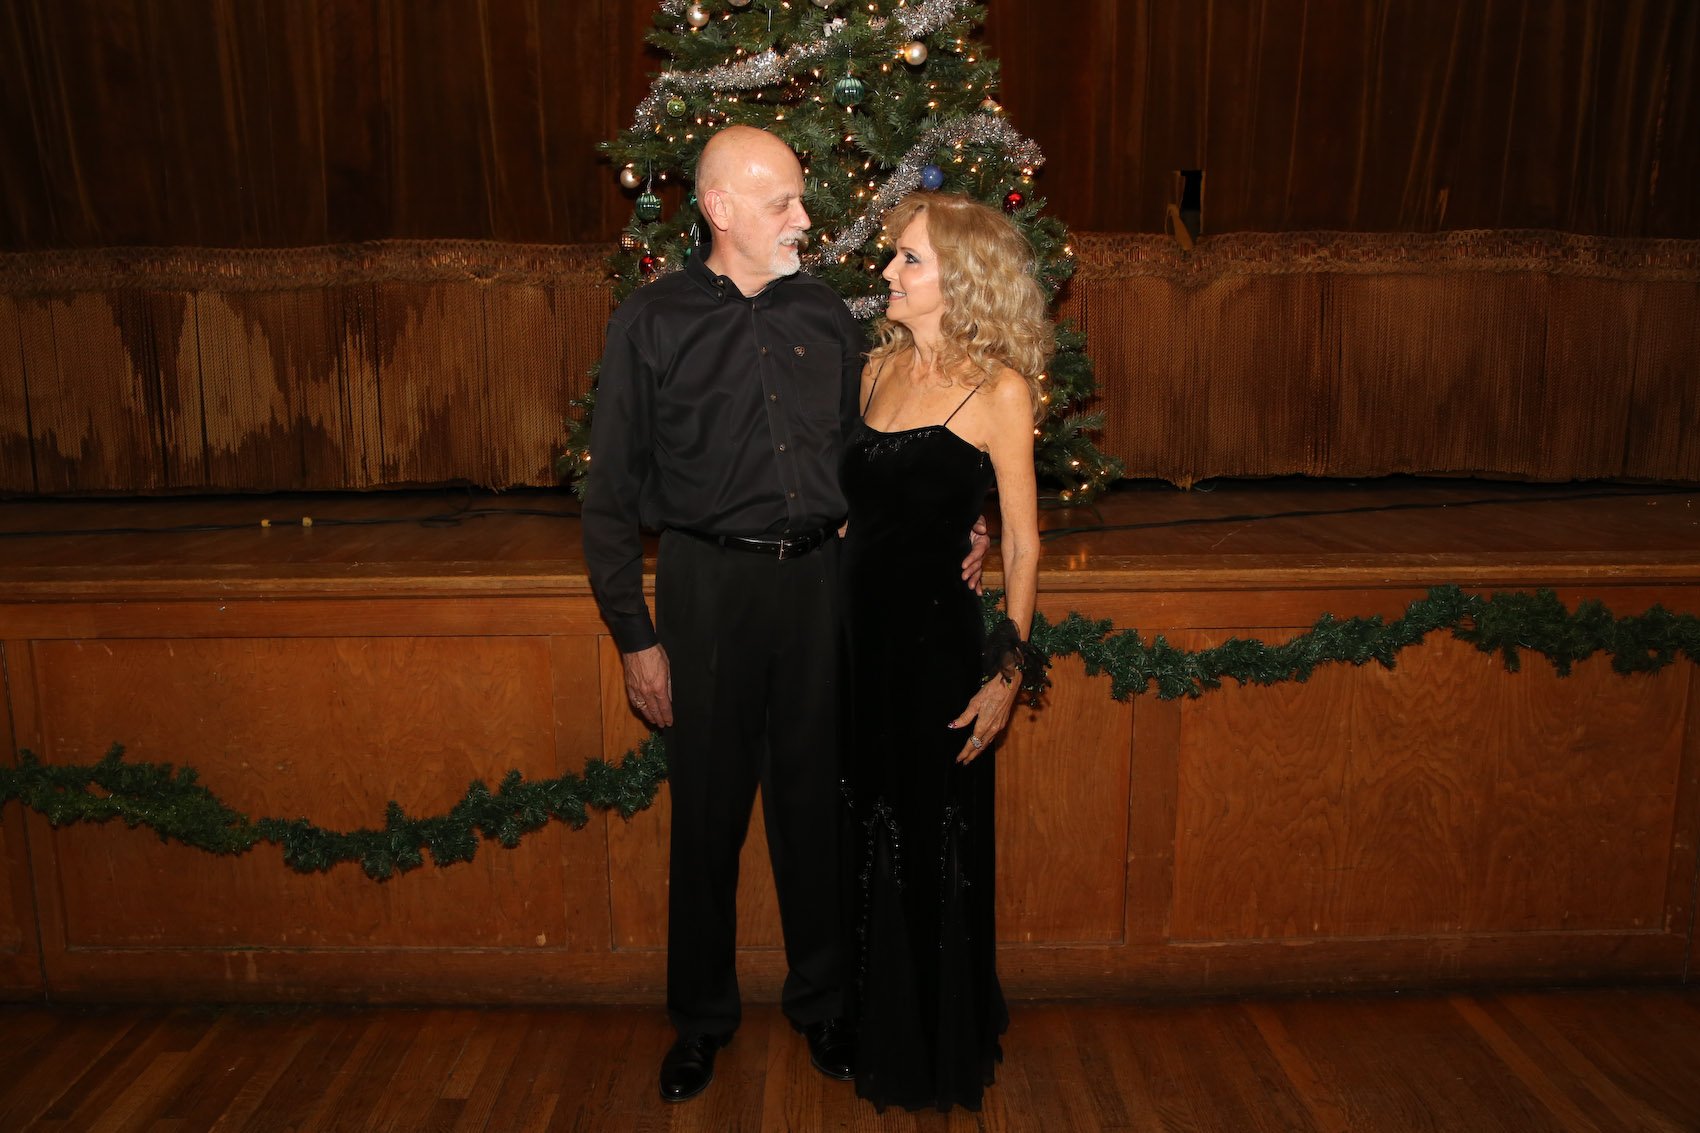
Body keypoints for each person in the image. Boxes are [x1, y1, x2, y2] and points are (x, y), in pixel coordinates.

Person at [581, 126, 988, 1104]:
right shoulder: (650, 321)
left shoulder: (824, 315)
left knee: (817, 810)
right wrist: (636, 636)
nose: (805, 218)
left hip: (817, 589)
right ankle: (700, 1019)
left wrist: (961, 521)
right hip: (704, 591)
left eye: (800, 199)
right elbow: (609, 495)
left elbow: (875, 451)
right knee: (706, 818)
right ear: (719, 209)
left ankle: (824, 1003)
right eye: (782, 204)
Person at [839, 192, 1049, 1113]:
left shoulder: (1000, 391)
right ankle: (876, 1024)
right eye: (895, 257)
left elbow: (1024, 545)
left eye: (909, 259)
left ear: (961, 279)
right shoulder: (874, 369)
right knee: (866, 827)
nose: (888, 271)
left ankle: (934, 1040)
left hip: (938, 655)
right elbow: (863, 512)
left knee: (932, 839)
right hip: (858, 646)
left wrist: (1009, 674)